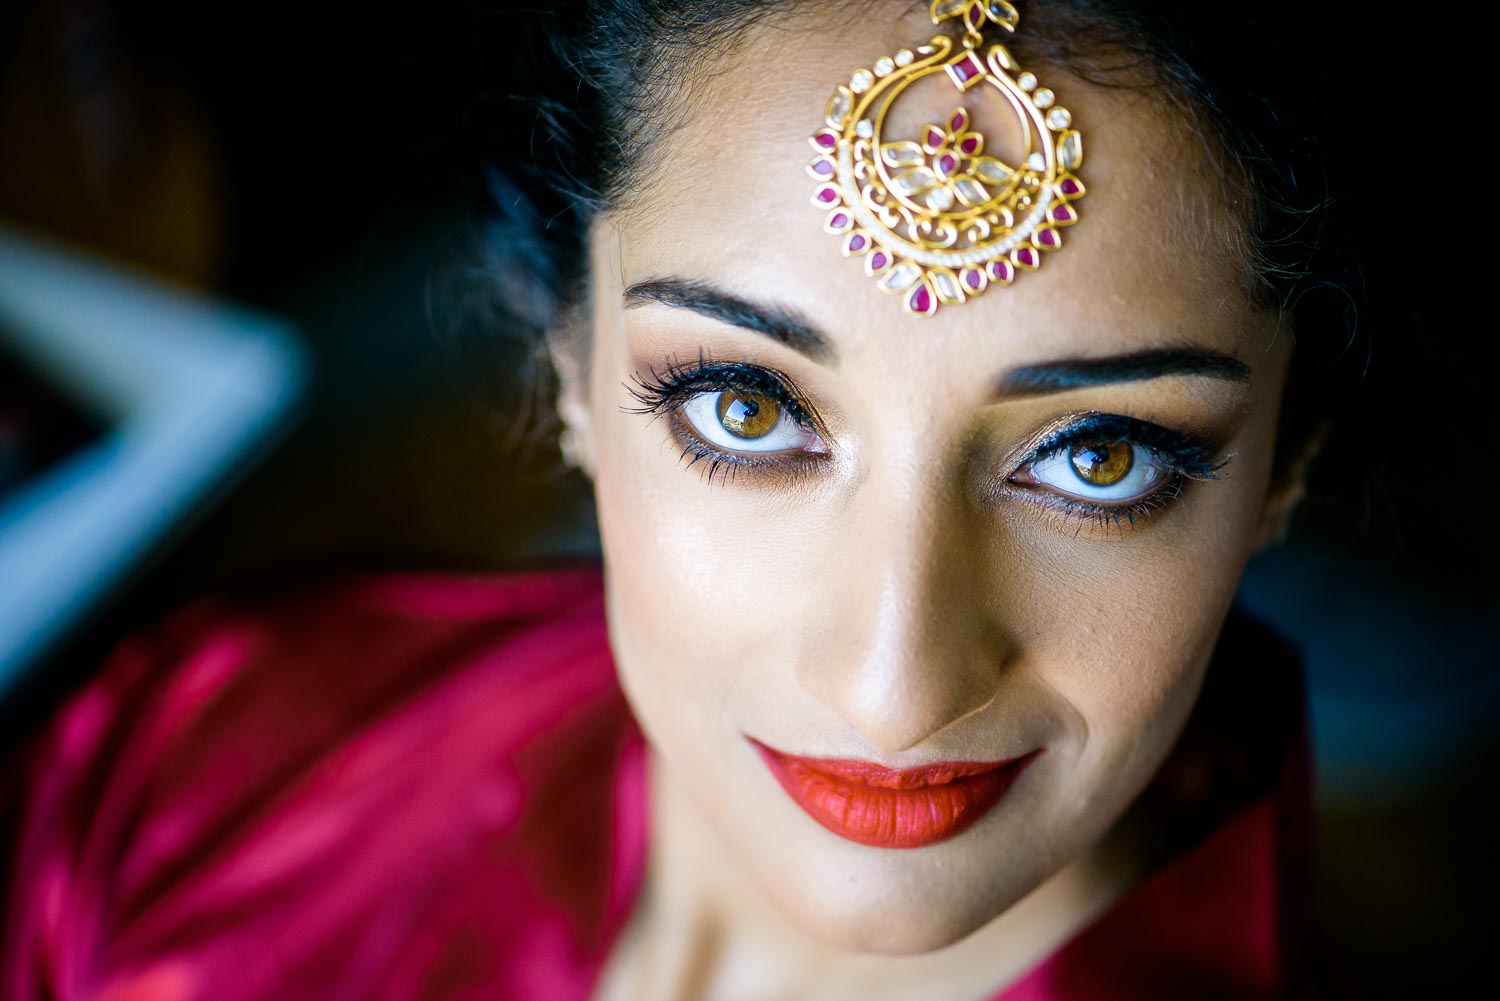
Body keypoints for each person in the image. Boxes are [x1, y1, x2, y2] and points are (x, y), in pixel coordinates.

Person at [3, 1, 1355, 997]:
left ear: (1285, 462)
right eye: (748, 408)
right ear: (569, 368)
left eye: (1097, 454)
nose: (894, 687)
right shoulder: (209, 756)